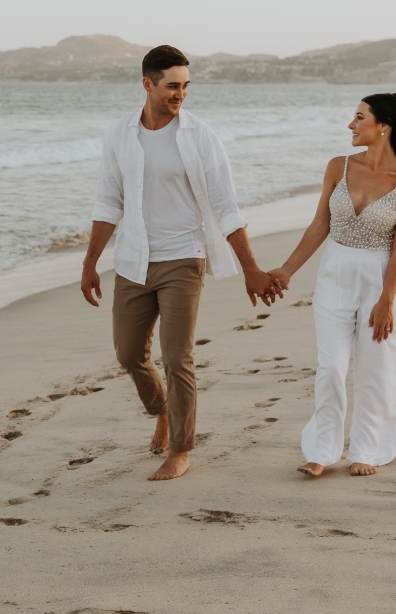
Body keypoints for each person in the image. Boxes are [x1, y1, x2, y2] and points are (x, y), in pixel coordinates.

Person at [80, 45, 282, 481]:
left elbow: (226, 205)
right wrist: (90, 262)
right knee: (129, 353)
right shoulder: (119, 135)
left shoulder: (199, 136)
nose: (181, 94)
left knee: (177, 357)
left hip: (183, 257)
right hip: (134, 259)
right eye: (172, 85)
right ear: (148, 84)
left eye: (186, 86)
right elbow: (107, 201)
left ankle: (181, 449)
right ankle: (163, 410)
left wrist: (250, 266)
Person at [269, 93, 396, 478]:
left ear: (384, 126)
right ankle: (321, 450)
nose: (351, 124)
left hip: (379, 279)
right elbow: (319, 226)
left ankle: (368, 449)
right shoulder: (338, 167)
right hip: (335, 276)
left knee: (376, 369)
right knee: (330, 367)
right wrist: (287, 270)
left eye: (359, 117)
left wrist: (387, 300)